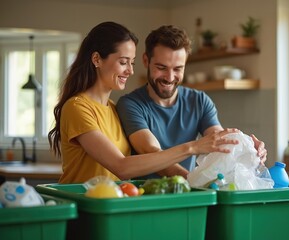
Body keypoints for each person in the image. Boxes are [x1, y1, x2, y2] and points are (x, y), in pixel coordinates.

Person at [48, 21, 239, 184]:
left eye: (131, 63)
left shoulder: (113, 109)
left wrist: (245, 147)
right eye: (123, 62)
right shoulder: (77, 108)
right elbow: (121, 166)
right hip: (83, 208)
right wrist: (193, 148)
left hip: (110, 207)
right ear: (97, 59)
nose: (130, 71)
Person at [116, 25, 267, 180]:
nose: (169, 77)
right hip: (145, 198)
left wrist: (246, 146)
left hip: (188, 196)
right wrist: (193, 180)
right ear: (146, 60)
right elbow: (153, 152)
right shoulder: (130, 104)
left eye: (177, 69)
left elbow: (217, 140)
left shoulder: (199, 101)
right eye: (161, 67)